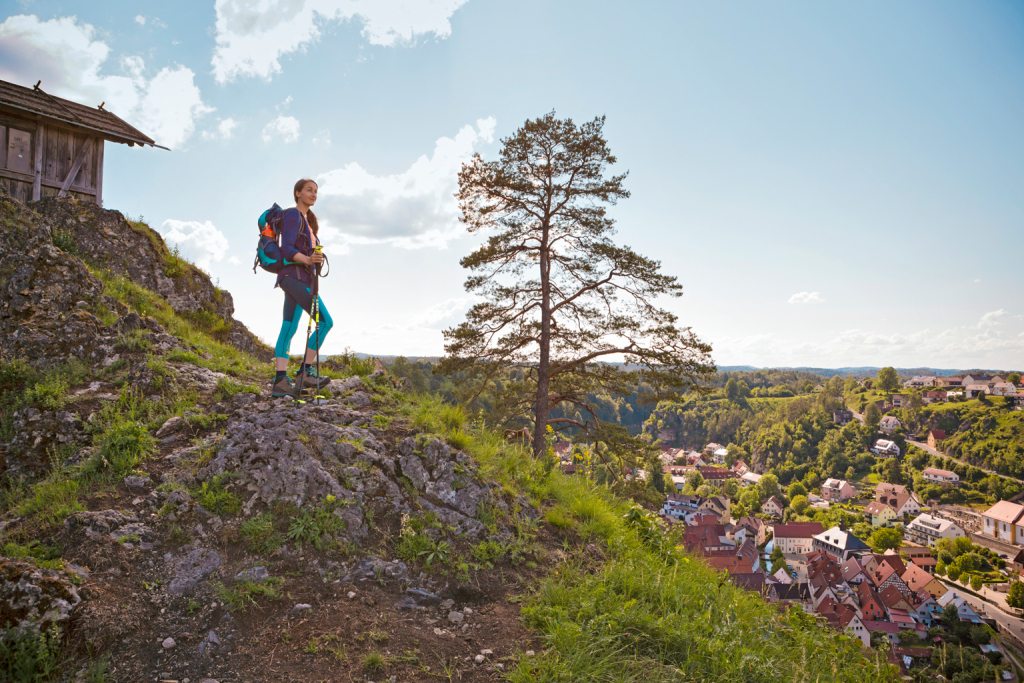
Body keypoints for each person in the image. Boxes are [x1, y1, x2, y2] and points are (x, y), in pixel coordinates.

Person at [271, 178, 334, 397]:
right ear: (298, 193)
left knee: (288, 327)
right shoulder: (292, 215)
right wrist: (308, 260)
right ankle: (304, 373)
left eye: (316, 191)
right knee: (325, 322)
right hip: (295, 278)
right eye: (309, 190)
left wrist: (313, 258)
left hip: (297, 279)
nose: (314, 194)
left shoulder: (309, 222)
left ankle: (280, 382)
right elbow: (287, 249)